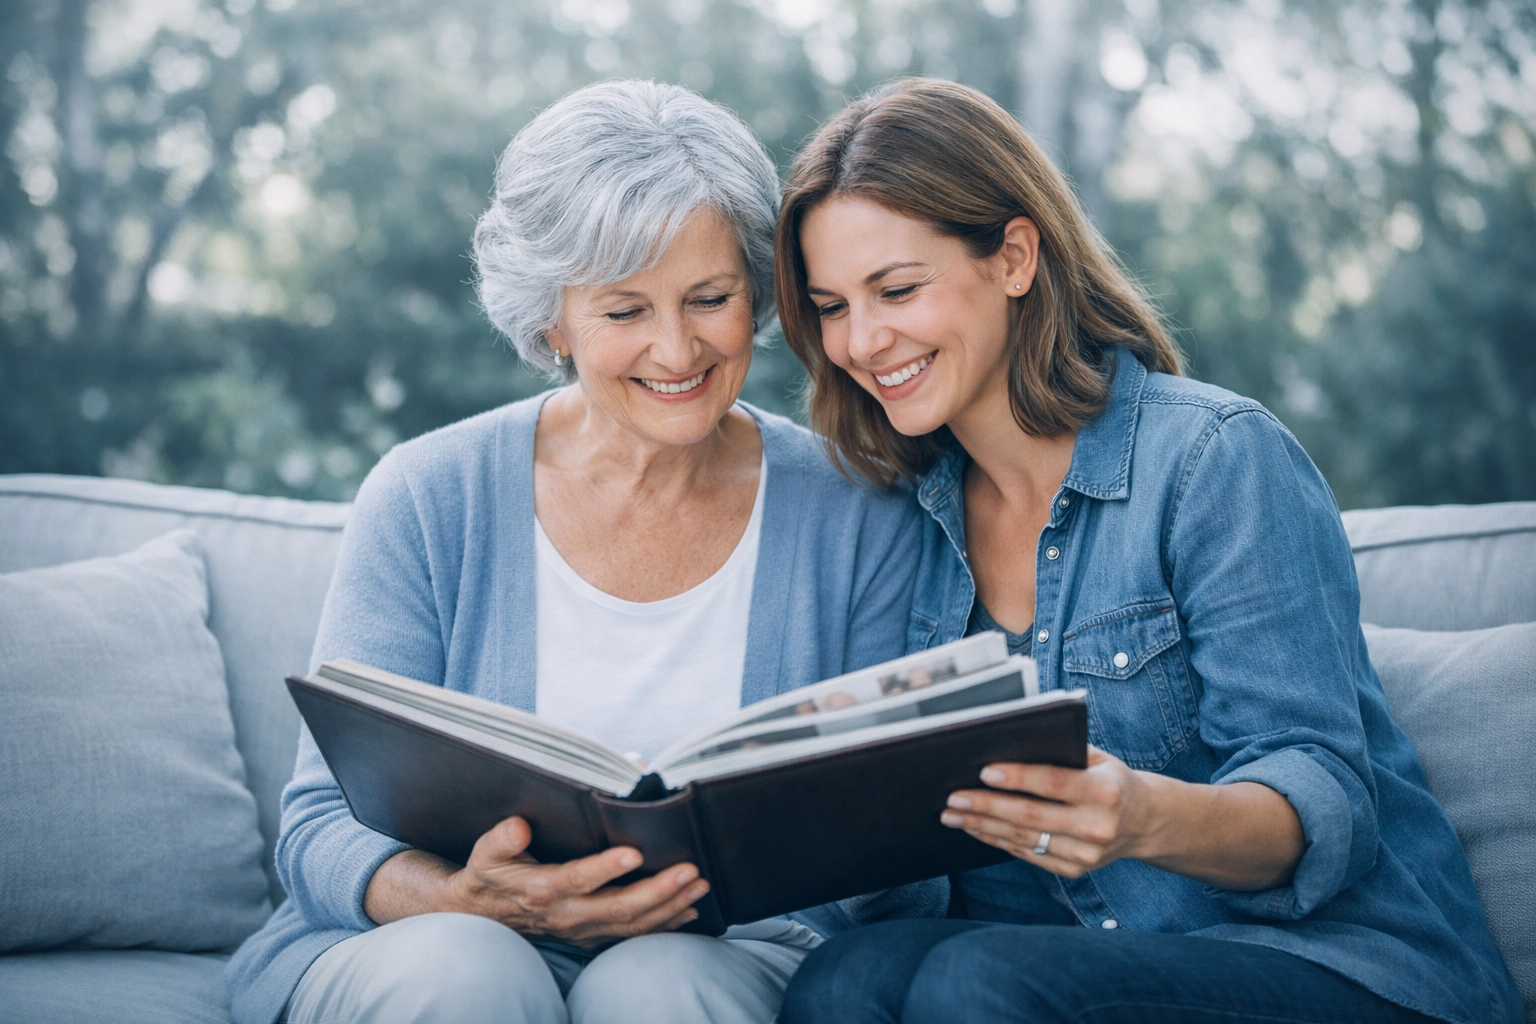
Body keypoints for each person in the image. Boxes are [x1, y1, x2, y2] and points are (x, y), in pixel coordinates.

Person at [772, 77, 1523, 1024]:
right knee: (842, 981)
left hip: (1335, 968)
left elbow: (1323, 798)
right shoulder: (901, 528)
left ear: (1013, 257)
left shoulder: (1214, 459)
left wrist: (1141, 817)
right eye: (831, 306)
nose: (863, 340)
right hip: (1073, 970)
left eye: (898, 289)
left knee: (979, 985)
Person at [225, 80, 940, 1024]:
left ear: (758, 292)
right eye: (624, 311)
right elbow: (319, 829)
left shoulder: (858, 509)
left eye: (709, 298)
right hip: (439, 943)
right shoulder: (428, 493)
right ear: (552, 319)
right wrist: (462, 898)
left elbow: (897, 865)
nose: (677, 349)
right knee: (469, 970)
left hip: (733, 956)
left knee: (659, 986)